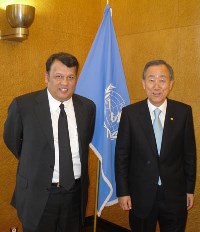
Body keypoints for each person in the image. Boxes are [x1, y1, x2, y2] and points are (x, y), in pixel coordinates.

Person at [4, 52, 96, 232]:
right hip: (38, 195)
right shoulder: (24, 106)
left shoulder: (87, 107)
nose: (65, 83)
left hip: (75, 196)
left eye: (71, 77)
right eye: (59, 76)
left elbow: (86, 140)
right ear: (46, 77)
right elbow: (12, 140)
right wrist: (36, 159)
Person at [115, 60, 196, 232]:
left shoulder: (183, 112)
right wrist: (123, 192)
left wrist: (189, 189)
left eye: (162, 79)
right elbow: (121, 156)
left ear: (171, 83)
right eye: (151, 80)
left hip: (174, 195)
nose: (157, 86)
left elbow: (189, 154)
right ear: (144, 84)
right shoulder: (130, 114)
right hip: (140, 196)